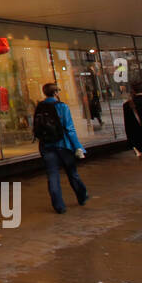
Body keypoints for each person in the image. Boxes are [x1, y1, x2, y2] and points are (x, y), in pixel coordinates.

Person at [32, 82, 88, 214]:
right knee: (72, 173)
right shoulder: (62, 106)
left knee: (52, 175)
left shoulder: (39, 107)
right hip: (63, 145)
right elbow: (70, 129)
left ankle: (59, 206)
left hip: (46, 145)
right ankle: (81, 196)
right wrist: (78, 146)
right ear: (56, 93)